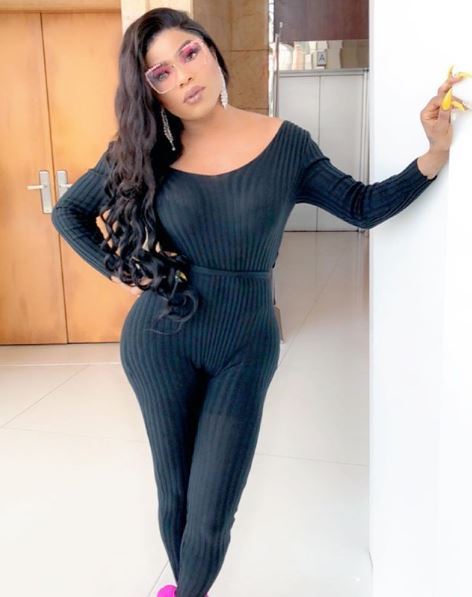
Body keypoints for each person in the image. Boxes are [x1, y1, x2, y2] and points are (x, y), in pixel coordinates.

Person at [50, 7, 466, 597]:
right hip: (159, 342)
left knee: (213, 509)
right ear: (152, 92)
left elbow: (361, 206)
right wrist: (126, 274)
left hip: (245, 344)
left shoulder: (286, 143)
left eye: (189, 54)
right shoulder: (143, 149)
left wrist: (435, 154)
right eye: (160, 73)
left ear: (211, 51)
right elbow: (69, 213)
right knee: (176, 493)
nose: (184, 76)